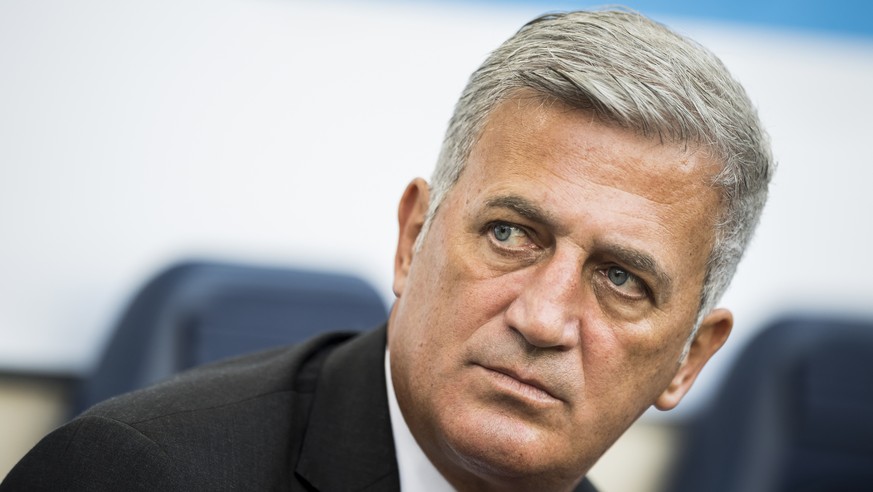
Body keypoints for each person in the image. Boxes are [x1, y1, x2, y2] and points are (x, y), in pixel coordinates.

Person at [1, 8, 772, 492]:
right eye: (509, 234)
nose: (542, 319)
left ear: (686, 361)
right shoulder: (135, 474)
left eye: (620, 278)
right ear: (412, 240)